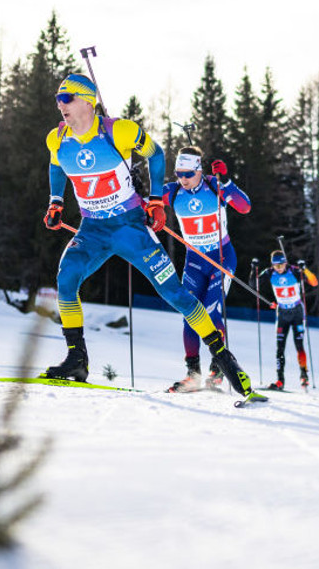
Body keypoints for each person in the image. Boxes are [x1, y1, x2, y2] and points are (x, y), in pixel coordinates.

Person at [40, 72, 261, 404]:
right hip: (92, 229)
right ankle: (77, 359)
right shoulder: (57, 138)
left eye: (66, 98)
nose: (61, 105)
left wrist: (156, 200)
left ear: (88, 101)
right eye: (58, 99)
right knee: (66, 279)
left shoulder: (120, 130)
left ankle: (225, 361)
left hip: (130, 228)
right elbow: (56, 166)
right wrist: (56, 201)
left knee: (175, 294)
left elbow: (156, 154)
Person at [161, 145, 251, 392]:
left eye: (188, 173)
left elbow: (244, 207)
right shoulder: (173, 191)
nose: (183, 178)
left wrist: (229, 182)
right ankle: (193, 374)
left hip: (221, 259)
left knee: (211, 312)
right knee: (189, 315)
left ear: (200, 170)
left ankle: (218, 369)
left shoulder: (215, 186)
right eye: (179, 173)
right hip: (194, 260)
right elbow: (142, 202)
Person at [261, 249, 318, 390]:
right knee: (280, 348)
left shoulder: (294, 271)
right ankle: (280, 380)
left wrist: (305, 270)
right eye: (276, 265)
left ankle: (304, 376)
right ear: (272, 265)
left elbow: (314, 282)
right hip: (282, 313)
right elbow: (253, 284)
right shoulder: (269, 273)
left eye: (281, 264)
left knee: (299, 345)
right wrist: (253, 269)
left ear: (285, 263)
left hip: (297, 312)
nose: (279, 268)